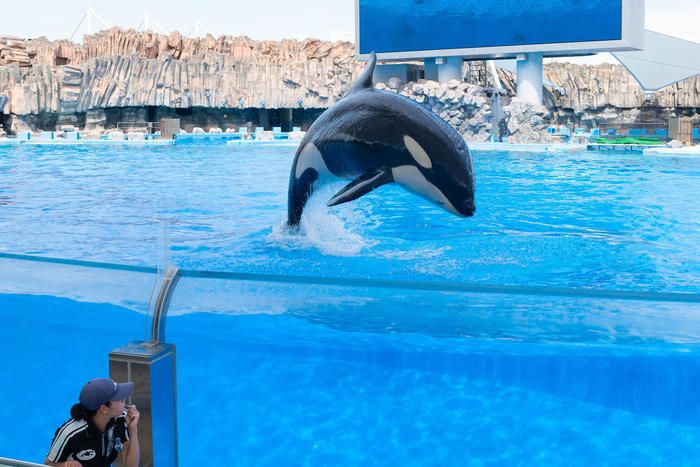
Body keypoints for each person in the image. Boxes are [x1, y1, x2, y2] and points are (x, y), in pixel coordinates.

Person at [45, 378, 140, 467]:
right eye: (119, 398)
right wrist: (65, 465)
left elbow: (130, 465)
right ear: (104, 409)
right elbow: (48, 464)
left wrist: (133, 430)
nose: (124, 399)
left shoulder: (121, 418)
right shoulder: (70, 433)